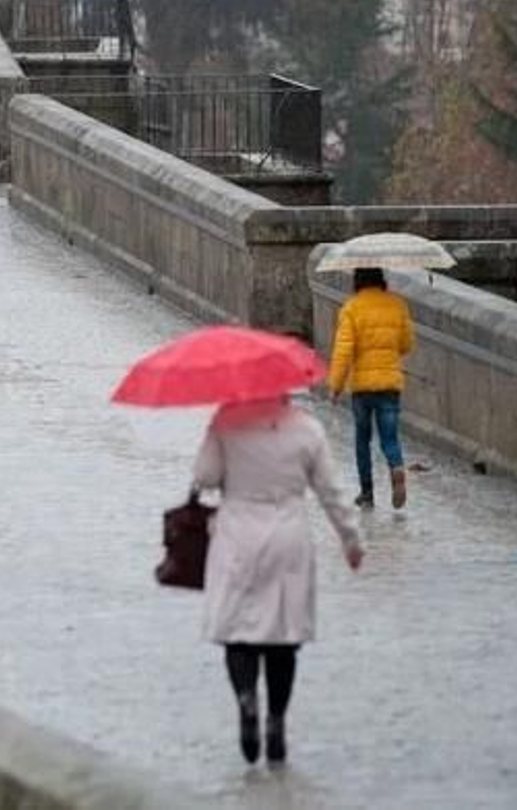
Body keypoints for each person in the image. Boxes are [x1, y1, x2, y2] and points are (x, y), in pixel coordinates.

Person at [192, 396, 363, 766]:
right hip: (288, 537)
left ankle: (246, 700)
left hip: (238, 534)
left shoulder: (227, 421)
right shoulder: (306, 429)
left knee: (238, 630)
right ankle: (276, 720)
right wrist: (351, 540)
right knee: (283, 634)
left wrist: (217, 438)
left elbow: (205, 476)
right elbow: (331, 492)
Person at [328, 267, 416, 509]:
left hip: (362, 388)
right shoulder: (397, 305)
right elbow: (407, 344)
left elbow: (343, 351)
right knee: (390, 437)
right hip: (390, 383)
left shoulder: (352, 308)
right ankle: (397, 467)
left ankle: (367, 493)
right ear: (382, 280)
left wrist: (335, 386)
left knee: (362, 439)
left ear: (357, 281)